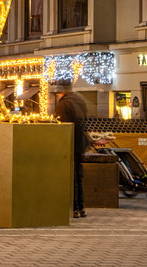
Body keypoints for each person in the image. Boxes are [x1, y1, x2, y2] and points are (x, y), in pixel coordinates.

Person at [54, 85, 88, 219]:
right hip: (80, 143)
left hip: (70, 143)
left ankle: (74, 208)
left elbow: (61, 126)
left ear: (61, 92)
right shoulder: (79, 100)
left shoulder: (64, 104)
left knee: (71, 176)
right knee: (79, 176)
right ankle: (81, 207)